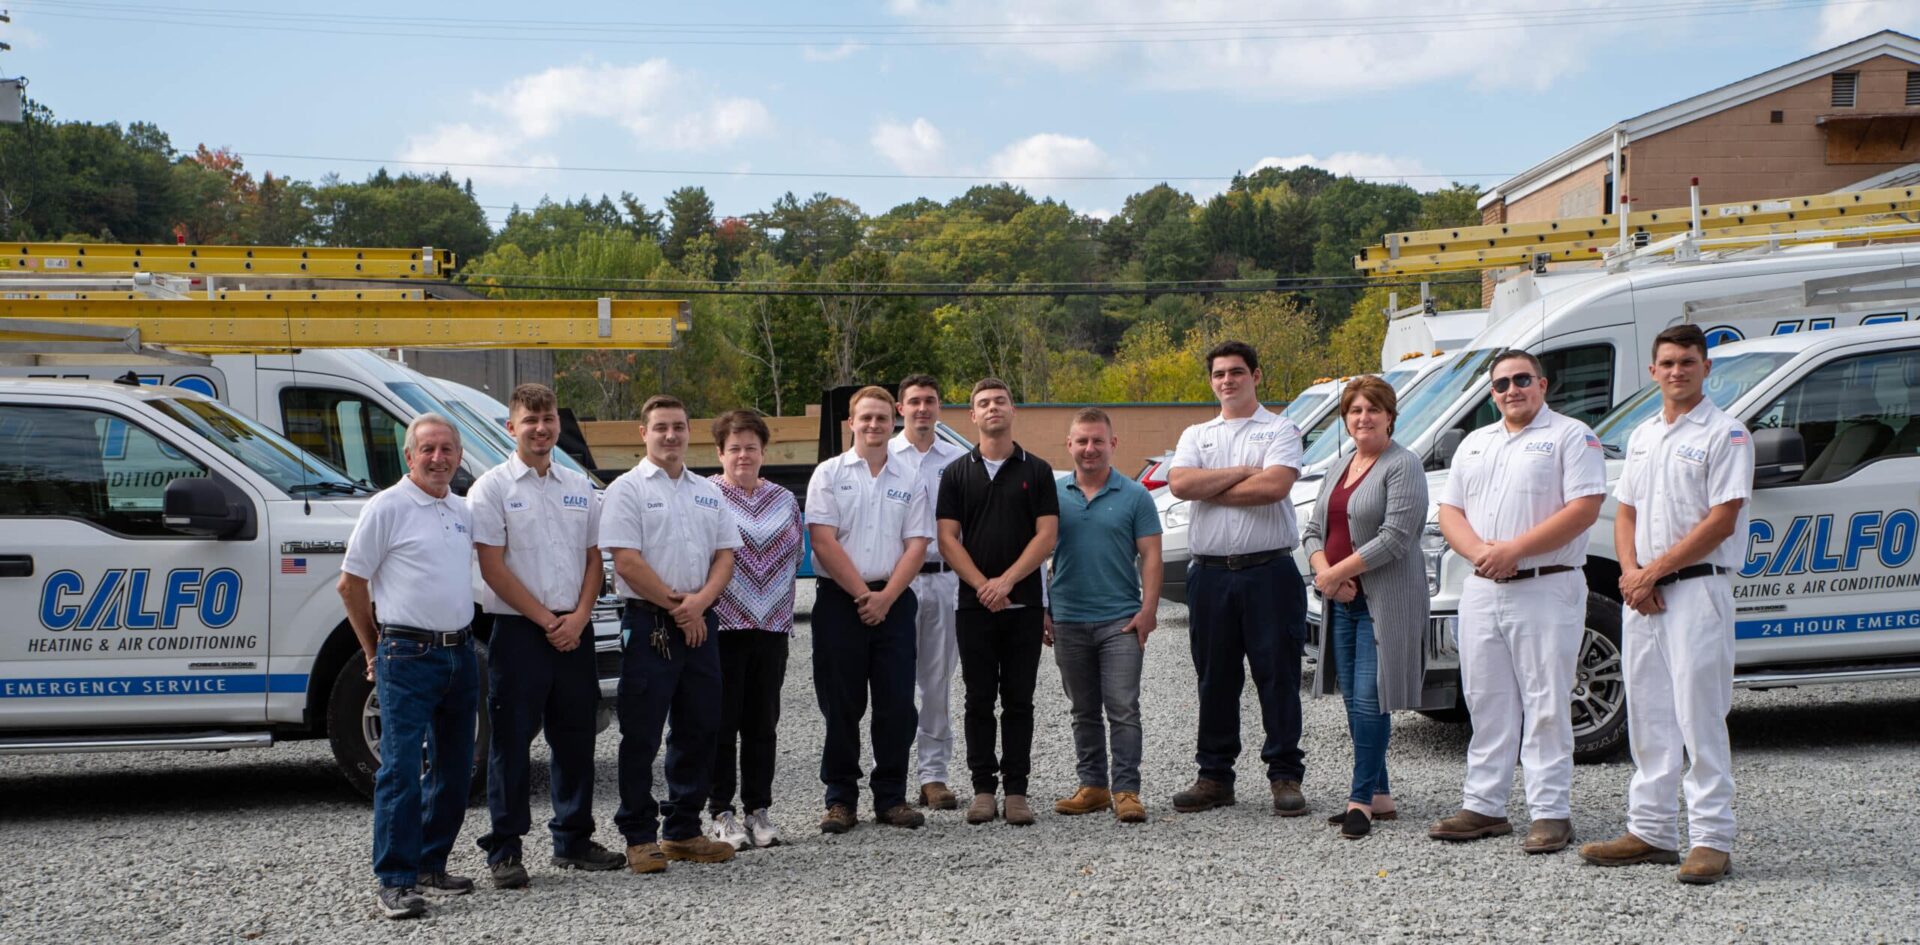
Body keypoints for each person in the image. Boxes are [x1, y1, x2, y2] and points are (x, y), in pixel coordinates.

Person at [1580, 324, 1750, 886]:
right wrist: (1632, 573)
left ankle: (1711, 839)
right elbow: (1625, 511)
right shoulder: (1644, 435)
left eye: (1687, 362)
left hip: (1698, 589)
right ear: (1652, 371)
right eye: (1667, 363)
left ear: (1706, 368)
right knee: (1650, 714)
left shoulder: (1727, 435)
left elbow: (1721, 519)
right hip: (1644, 594)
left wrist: (1654, 570)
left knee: (1699, 716)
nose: (1676, 371)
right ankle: (1650, 830)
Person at [1429, 352, 1606, 854]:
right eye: (1502, 383)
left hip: (1546, 584)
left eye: (1522, 380)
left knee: (1546, 702)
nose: (1512, 390)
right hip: (1483, 586)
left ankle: (1551, 812)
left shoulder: (1571, 436)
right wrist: (1483, 553)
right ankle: (1484, 806)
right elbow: (1450, 510)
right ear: (1492, 393)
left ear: (1542, 384)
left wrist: (1516, 551)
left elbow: (1584, 508)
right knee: (1486, 701)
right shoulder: (1475, 443)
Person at [470, 383, 625, 888]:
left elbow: (592, 558)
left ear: (559, 424)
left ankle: (573, 839)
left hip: (574, 628)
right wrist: (546, 620)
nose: (541, 428)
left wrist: (579, 616)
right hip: (519, 631)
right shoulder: (491, 488)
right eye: (530, 420)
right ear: (511, 427)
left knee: (575, 736)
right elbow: (492, 568)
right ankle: (506, 849)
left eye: (548, 418)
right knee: (511, 743)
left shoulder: (577, 483)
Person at [337, 414, 481, 920]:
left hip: (460, 652)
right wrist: (375, 651)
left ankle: (430, 863)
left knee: (455, 766)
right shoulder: (387, 507)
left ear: (459, 456)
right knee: (400, 769)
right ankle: (394, 880)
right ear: (409, 456)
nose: (438, 458)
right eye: (428, 450)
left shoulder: (463, 510)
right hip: (407, 653)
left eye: (447, 449)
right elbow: (350, 585)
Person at [1165, 341, 1310, 818]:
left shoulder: (1281, 428)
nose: (1227, 380)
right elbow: (1181, 484)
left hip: (1268, 571)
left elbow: (1275, 487)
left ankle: (1285, 776)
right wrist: (1242, 473)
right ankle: (1214, 777)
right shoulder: (1196, 433)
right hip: (1209, 576)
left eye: (1237, 372)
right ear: (1211, 381)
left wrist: (1213, 485)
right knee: (1215, 679)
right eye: (1220, 374)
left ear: (1256, 376)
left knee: (1278, 676)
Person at [599, 394, 742, 874]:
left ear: (689, 432)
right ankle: (639, 836)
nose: (671, 435)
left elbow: (726, 556)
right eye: (661, 427)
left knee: (699, 727)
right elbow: (626, 561)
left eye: (679, 426)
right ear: (644, 433)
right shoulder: (626, 489)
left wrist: (698, 604)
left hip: (701, 621)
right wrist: (679, 607)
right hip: (649, 624)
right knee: (641, 732)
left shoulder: (708, 491)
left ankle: (683, 829)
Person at [1301, 377, 1430, 840]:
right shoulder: (1341, 465)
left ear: (1390, 416)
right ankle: (1381, 796)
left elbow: (1396, 536)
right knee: (1355, 701)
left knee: (1372, 699)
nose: (1363, 418)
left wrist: (1338, 572)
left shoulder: (1403, 465)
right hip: (1341, 600)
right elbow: (1313, 530)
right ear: (1345, 419)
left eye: (1373, 409)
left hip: (1386, 600)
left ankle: (1359, 802)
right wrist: (1325, 573)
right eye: (1355, 411)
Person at [806, 385, 934, 833]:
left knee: (896, 704)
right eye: (866, 418)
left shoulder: (910, 477)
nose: (874, 425)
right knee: (840, 704)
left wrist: (885, 597)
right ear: (851, 422)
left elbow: (918, 543)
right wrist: (864, 595)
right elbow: (822, 539)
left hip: (894, 601)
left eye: (882, 418)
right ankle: (840, 798)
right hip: (841, 601)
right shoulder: (828, 473)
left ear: (892, 421)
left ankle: (892, 797)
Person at [937, 378, 1059, 827]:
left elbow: (1046, 535)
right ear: (972, 415)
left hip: (1023, 603)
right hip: (973, 606)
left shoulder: (1037, 470)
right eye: (983, 404)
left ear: (1013, 410)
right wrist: (982, 585)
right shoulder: (955, 473)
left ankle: (1018, 791)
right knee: (978, 698)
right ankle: (983, 789)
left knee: (1020, 699)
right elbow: (947, 539)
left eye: (1000, 402)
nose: (992, 409)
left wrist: (1006, 582)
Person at [1045, 407, 1163, 824]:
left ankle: (1126, 790)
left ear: (1112, 444)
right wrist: (1045, 608)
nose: (1089, 448)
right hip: (1068, 619)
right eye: (1082, 441)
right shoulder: (1052, 495)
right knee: (1083, 709)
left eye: (1098, 441)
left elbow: (1151, 556)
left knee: (1123, 708)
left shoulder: (1135, 495)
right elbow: (1040, 555)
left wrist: (1148, 611)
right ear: (1069, 445)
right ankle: (1092, 786)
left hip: (1120, 621)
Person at [703, 409, 803, 851]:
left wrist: (768, 600)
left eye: (751, 447)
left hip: (772, 627)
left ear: (764, 451)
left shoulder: (784, 499)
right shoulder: (706, 495)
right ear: (720, 452)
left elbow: (794, 556)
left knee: (763, 724)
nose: (743, 455)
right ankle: (720, 812)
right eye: (734, 448)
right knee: (721, 723)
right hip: (722, 625)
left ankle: (758, 809)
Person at [891, 374, 971, 811]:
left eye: (930, 401)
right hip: (895, 583)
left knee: (936, 682)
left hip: (943, 580)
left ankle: (934, 775)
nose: (923, 409)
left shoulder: (959, 460)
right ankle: (891, 777)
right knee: (893, 684)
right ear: (900, 409)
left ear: (940, 407)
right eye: (914, 402)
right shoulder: (881, 457)